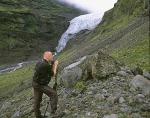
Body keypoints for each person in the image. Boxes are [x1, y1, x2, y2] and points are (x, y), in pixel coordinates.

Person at [32, 51, 59, 118]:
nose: (53, 57)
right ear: (48, 57)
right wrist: (55, 65)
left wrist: (52, 64)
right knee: (53, 94)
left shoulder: (40, 62)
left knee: (37, 100)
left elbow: (48, 70)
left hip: (35, 83)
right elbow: (53, 74)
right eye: (51, 56)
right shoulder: (45, 65)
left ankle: (38, 116)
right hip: (40, 85)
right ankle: (53, 113)